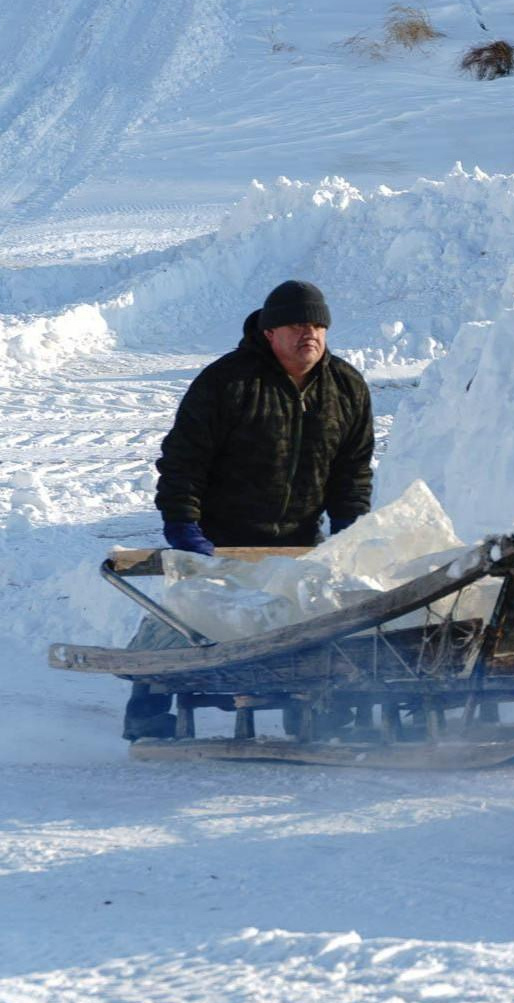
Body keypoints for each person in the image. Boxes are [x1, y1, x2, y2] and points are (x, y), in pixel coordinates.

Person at [122, 280, 375, 739]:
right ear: (268, 333)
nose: (310, 334)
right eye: (297, 324)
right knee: (191, 617)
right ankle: (148, 700)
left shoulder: (347, 387)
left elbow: (352, 470)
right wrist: (185, 527)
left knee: (313, 622)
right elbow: (184, 460)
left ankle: (316, 703)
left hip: (300, 537)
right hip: (222, 536)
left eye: (318, 324)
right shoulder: (228, 382)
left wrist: (347, 528)